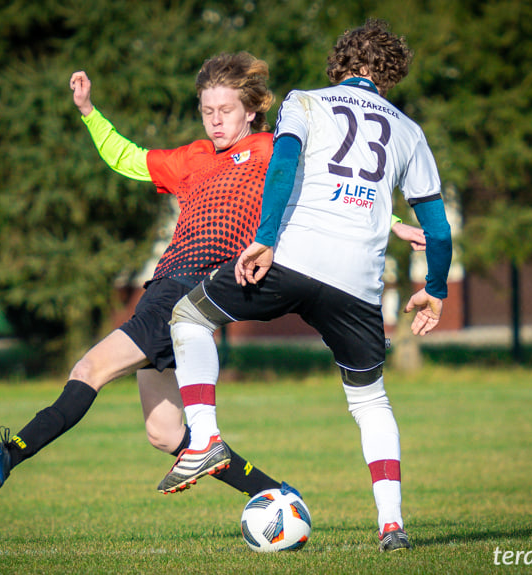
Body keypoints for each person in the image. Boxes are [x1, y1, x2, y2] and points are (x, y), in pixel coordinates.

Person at [0, 52, 426, 499]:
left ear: (251, 109)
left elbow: (324, 191)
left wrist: (393, 224)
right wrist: (90, 113)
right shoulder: (193, 158)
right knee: (166, 434)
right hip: (161, 289)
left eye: (225, 110)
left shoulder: (274, 149)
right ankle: (275, 494)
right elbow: (127, 157)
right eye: (207, 111)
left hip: (192, 294)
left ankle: (10, 454)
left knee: (89, 368)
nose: (215, 120)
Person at [157, 20, 452, 554]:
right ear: (390, 74)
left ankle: (205, 436)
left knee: (189, 316)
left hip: (293, 260)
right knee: (370, 401)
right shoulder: (408, 131)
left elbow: (285, 167)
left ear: (339, 61)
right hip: (358, 286)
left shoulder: (305, 101)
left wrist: (265, 239)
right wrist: (434, 290)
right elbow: (438, 228)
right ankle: (391, 526)